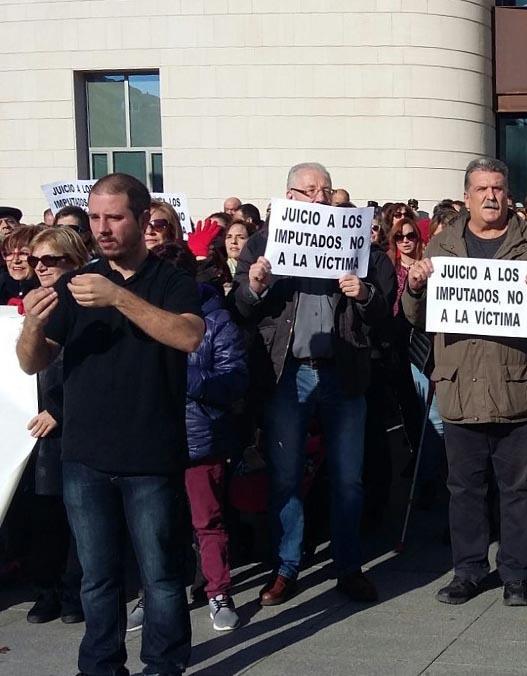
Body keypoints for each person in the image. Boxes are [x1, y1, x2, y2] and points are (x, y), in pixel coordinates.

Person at [16, 172, 204, 676]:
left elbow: (188, 336)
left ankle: (163, 666)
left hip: (150, 455)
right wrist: (32, 323)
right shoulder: (77, 285)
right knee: (97, 579)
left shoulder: (171, 281)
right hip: (85, 457)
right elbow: (32, 362)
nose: (102, 228)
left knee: (161, 576)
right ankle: (100, 666)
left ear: (143, 221)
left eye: (114, 217)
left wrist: (119, 297)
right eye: (95, 217)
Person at [403, 157, 527, 607]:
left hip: (517, 385)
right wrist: (415, 287)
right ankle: (469, 570)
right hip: (460, 387)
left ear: (508, 193)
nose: (491, 197)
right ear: (466, 197)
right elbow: (414, 318)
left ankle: (517, 573)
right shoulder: (441, 246)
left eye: (498, 188)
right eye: (482, 190)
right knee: (464, 490)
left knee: (519, 491)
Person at [233, 161, 390, 607]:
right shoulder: (263, 243)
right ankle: (286, 566)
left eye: (326, 190)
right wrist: (256, 287)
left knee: (347, 479)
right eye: (310, 190)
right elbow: (240, 308)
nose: (320, 198)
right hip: (287, 375)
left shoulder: (357, 243)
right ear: (290, 197)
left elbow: (382, 310)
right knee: (285, 475)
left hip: (343, 372)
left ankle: (348, 566)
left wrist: (364, 295)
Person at [153, 242, 248, 632]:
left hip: (199, 437)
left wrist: (185, 377)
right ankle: (154, 593)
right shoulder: (141, 317)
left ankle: (218, 591)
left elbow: (235, 380)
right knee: (154, 524)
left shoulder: (217, 321)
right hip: (151, 437)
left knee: (206, 519)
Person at [20, 227, 90, 626]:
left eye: (50, 260)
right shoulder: (31, 304)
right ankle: (45, 591)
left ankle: (72, 592)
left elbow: (92, 370)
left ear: (73, 260)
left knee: (77, 516)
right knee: (43, 516)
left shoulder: (85, 303)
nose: (40, 268)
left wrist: (59, 412)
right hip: (30, 430)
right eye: (35, 261)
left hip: (69, 426)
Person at [2, 225, 43, 306]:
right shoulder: (3, 285)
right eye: (9, 253)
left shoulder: (52, 290)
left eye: (23, 253)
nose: (15, 260)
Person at [387, 215, 423, 296]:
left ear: (417, 237)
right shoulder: (389, 266)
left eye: (410, 236)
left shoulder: (424, 267)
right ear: (394, 240)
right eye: (399, 237)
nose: (405, 241)